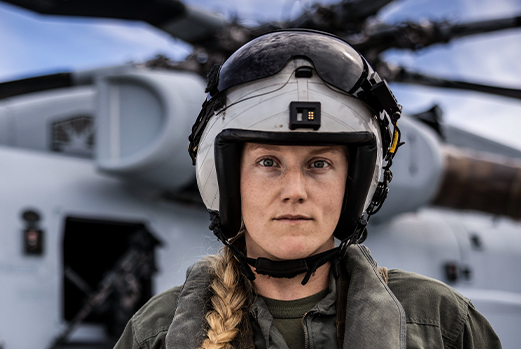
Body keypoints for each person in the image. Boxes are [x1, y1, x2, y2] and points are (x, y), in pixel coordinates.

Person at [114, 29, 500, 349]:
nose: (294, 191)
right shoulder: (155, 332)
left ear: (357, 183)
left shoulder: (442, 323)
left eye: (320, 164)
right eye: (268, 163)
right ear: (225, 179)